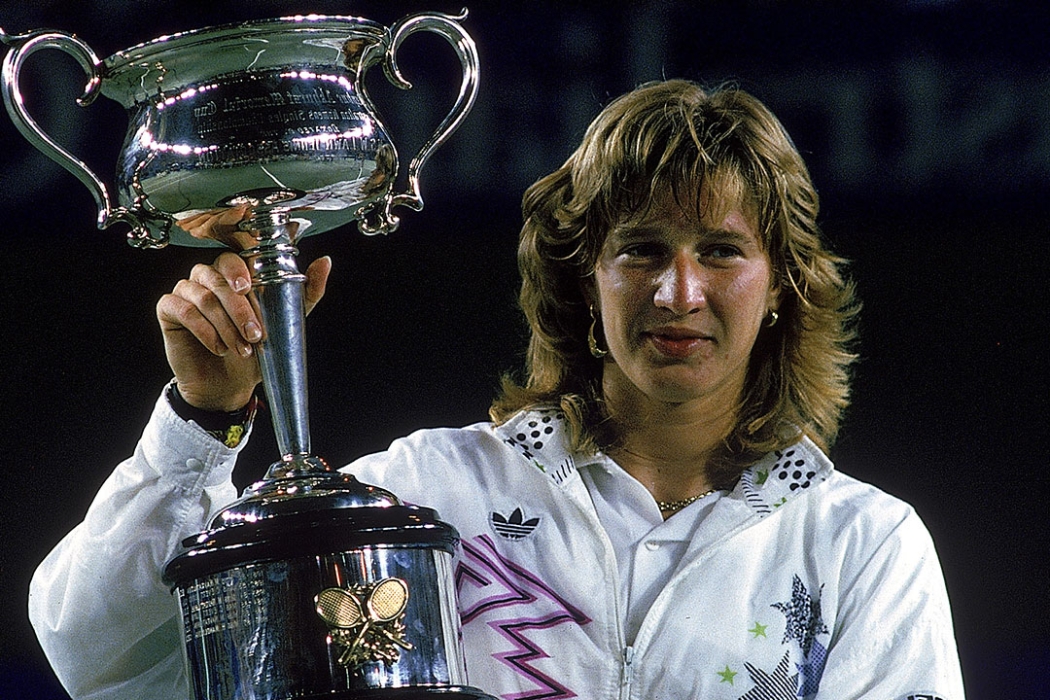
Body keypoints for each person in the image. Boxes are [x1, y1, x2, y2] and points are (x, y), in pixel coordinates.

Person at [28, 79, 964, 699]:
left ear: (780, 289)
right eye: (640, 249)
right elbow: (104, 656)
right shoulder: (432, 496)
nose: (681, 292)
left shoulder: (862, 548)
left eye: (721, 251)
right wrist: (203, 422)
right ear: (583, 285)